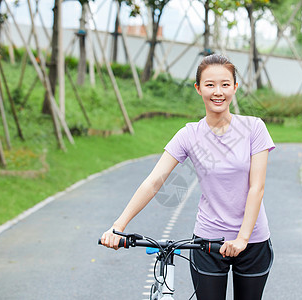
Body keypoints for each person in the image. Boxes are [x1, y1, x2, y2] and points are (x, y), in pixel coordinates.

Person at [101, 54, 275, 300]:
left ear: (235, 87)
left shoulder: (253, 128)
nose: (218, 92)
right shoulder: (189, 134)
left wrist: (242, 239)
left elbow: (257, 188)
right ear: (198, 88)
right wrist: (118, 227)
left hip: (253, 241)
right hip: (207, 242)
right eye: (210, 84)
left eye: (225, 84)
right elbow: (154, 182)